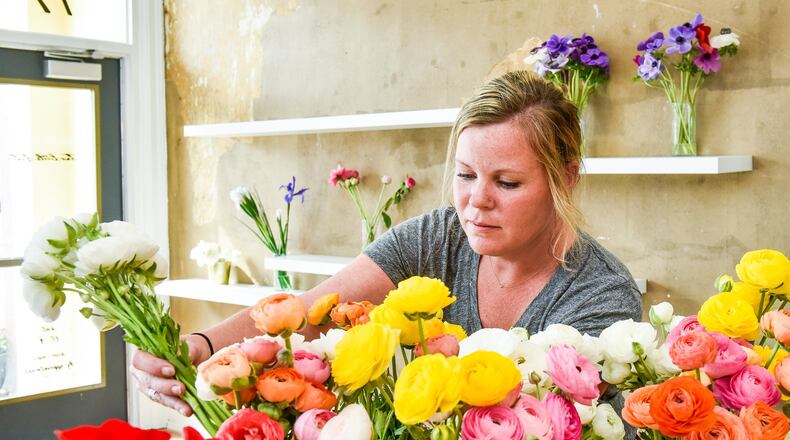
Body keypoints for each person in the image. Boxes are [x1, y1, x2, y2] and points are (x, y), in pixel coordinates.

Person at [131, 70, 642, 417]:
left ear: (566, 178)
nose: (474, 203)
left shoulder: (601, 296)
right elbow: (309, 310)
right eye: (465, 175)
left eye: (507, 183)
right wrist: (201, 347)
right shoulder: (436, 238)